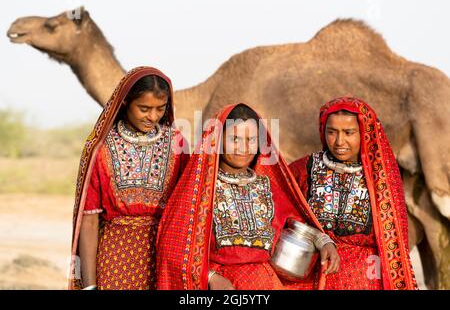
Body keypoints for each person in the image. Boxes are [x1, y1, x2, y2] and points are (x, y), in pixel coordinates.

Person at [157, 103, 339, 290]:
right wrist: (209, 276)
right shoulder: (199, 190)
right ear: (217, 139)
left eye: (251, 140)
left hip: (266, 283)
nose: (243, 148)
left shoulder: (268, 186)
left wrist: (324, 241)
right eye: (234, 139)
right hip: (222, 286)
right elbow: (173, 246)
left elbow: (295, 222)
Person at [68, 66, 189, 290]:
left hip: (163, 256)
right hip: (114, 261)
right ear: (125, 102)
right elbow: (89, 220)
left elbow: (188, 210)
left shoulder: (177, 143)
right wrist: (90, 286)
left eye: (160, 109)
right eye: (144, 108)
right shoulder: (101, 148)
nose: (153, 117)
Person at [289, 96, 417, 290]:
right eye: (332, 132)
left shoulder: (382, 178)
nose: (340, 141)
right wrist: (319, 239)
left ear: (364, 133)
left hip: (364, 280)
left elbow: (394, 243)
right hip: (310, 277)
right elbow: (283, 213)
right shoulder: (303, 169)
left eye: (349, 132)